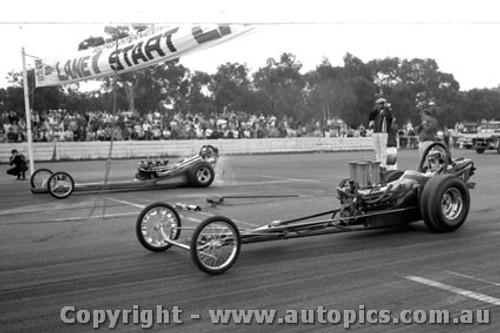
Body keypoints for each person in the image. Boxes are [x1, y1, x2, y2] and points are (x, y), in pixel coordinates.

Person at [368, 98, 393, 168]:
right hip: (376, 132)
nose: (377, 106)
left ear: (383, 104)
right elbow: (370, 117)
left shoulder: (386, 111)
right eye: (376, 104)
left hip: (383, 132)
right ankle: (378, 162)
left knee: (383, 149)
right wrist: (375, 110)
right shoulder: (376, 112)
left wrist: (386, 108)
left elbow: (389, 117)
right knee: (377, 149)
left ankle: (384, 164)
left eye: (378, 104)